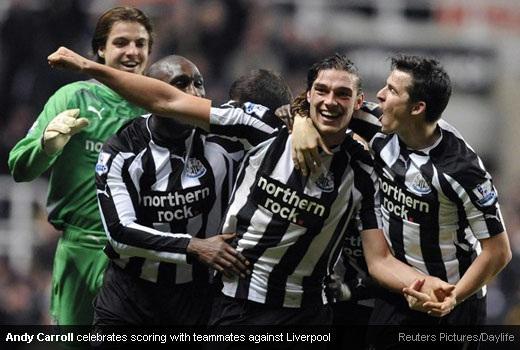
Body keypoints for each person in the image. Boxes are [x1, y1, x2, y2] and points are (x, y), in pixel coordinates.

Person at [47, 49, 454, 334]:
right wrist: (89, 66)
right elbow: (167, 99)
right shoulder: (260, 126)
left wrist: (421, 284)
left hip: (309, 313)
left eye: (343, 94)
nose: (331, 101)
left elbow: (378, 257)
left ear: (357, 102)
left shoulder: (363, 165)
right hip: (237, 303)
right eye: (322, 92)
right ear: (305, 96)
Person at [290, 55, 511, 347]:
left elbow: (498, 251)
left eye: (393, 91)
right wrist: (301, 122)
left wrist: (454, 296)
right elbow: (314, 106)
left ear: (418, 108)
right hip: (397, 292)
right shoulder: (380, 126)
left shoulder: (462, 169)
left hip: (449, 304)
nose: (380, 94)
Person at [93, 57, 294, 326]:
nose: (195, 93)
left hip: (197, 297)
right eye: (181, 84)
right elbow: (120, 233)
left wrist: (292, 117)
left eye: (199, 84)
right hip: (129, 296)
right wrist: (194, 246)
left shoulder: (225, 138)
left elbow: (275, 128)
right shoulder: (122, 150)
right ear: (154, 94)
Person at [8, 7, 155, 326]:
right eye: (121, 42)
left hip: (136, 255)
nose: (132, 51)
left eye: (140, 44)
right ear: (101, 49)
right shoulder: (73, 97)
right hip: (76, 250)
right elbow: (19, 168)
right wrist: (46, 146)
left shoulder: (159, 110)